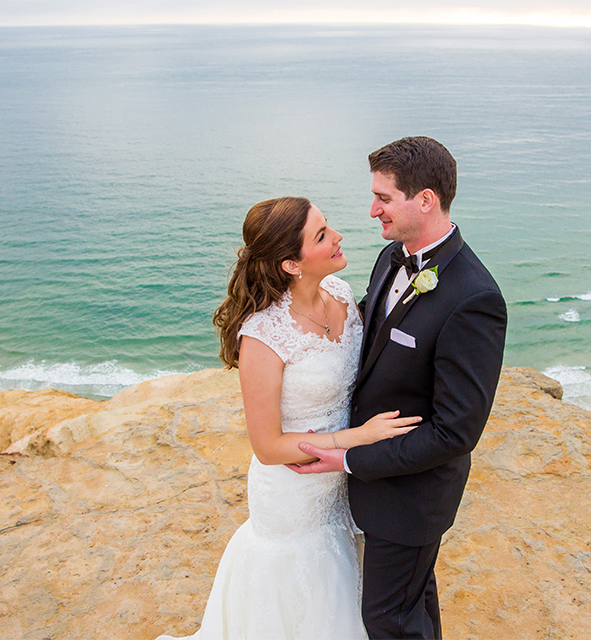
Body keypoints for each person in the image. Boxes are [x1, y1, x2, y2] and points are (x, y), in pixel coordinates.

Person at [156, 196, 420, 640]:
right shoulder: (263, 334)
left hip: (342, 482)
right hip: (294, 495)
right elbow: (267, 445)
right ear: (291, 265)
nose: (337, 237)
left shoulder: (340, 293)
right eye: (321, 235)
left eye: (328, 225)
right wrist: (360, 437)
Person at [291, 137, 508, 639]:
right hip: (376, 489)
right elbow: (369, 328)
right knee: (412, 603)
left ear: (425, 200)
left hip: (410, 497)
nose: (372, 211)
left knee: (387, 619)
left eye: (384, 199)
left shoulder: (474, 298)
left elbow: (455, 433)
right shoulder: (392, 257)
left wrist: (349, 458)